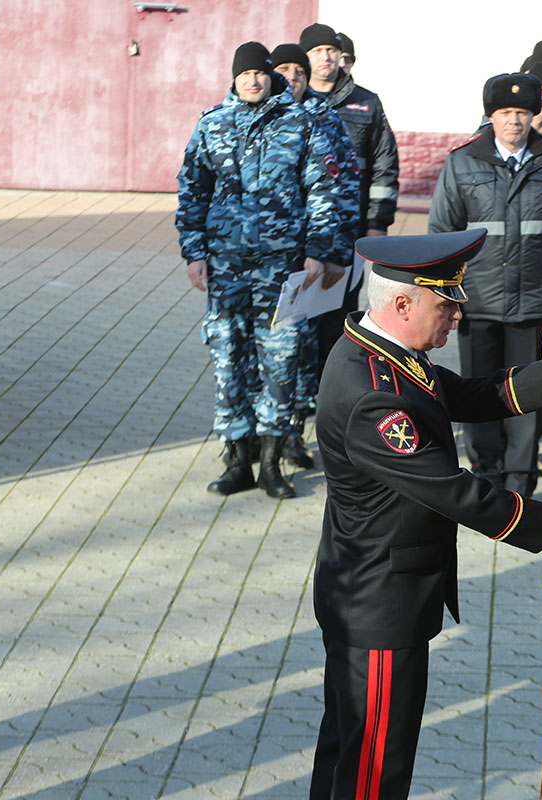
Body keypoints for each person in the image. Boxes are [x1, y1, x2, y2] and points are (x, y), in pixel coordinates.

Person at [312, 228, 542, 800]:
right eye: (447, 305)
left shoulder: (387, 355)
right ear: (401, 304)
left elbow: (466, 395)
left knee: (351, 755)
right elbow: (449, 489)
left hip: (375, 594)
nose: (458, 318)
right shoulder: (372, 391)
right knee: (372, 771)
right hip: (379, 605)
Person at [176, 42, 341, 499]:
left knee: (282, 360)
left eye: (259, 73)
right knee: (229, 358)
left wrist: (317, 250)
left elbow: (323, 191)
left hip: (282, 266)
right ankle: (236, 461)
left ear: (271, 77)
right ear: (233, 78)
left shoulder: (300, 123)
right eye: (243, 73)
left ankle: (271, 463)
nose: (252, 80)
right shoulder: (212, 125)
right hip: (226, 267)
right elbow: (191, 191)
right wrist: (194, 253)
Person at [427, 73, 542, 497]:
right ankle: (485, 472)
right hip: (475, 300)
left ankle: (521, 476)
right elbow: (443, 232)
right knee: (477, 388)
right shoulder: (462, 161)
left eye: (522, 113)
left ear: (534, 115)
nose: (514, 121)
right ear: (490, 116)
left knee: (531, 388)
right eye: (505, 113)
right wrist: (445, 297)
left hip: (533, 301)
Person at [270, 42, 361, 469]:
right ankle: (266, 436)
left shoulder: (325, 117)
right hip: (269, 262)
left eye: (298, 69)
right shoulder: (258, 115)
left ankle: (298, 436)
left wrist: (337, 254)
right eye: (283, 69)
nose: (292, 76)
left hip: (316, 261)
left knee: (311, 350)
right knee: (272, 352)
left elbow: (343, 190)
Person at [299, 22, 400, 382]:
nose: (325, 58)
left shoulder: (366, 103)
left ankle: (332, 389)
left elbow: (385, 167)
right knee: (297, 315)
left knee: (338, 314)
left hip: (349, 232)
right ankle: (297, 396)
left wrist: (377, 223)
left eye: (331, 50)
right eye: (316, 51)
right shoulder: (293, 101)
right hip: (299, 234)